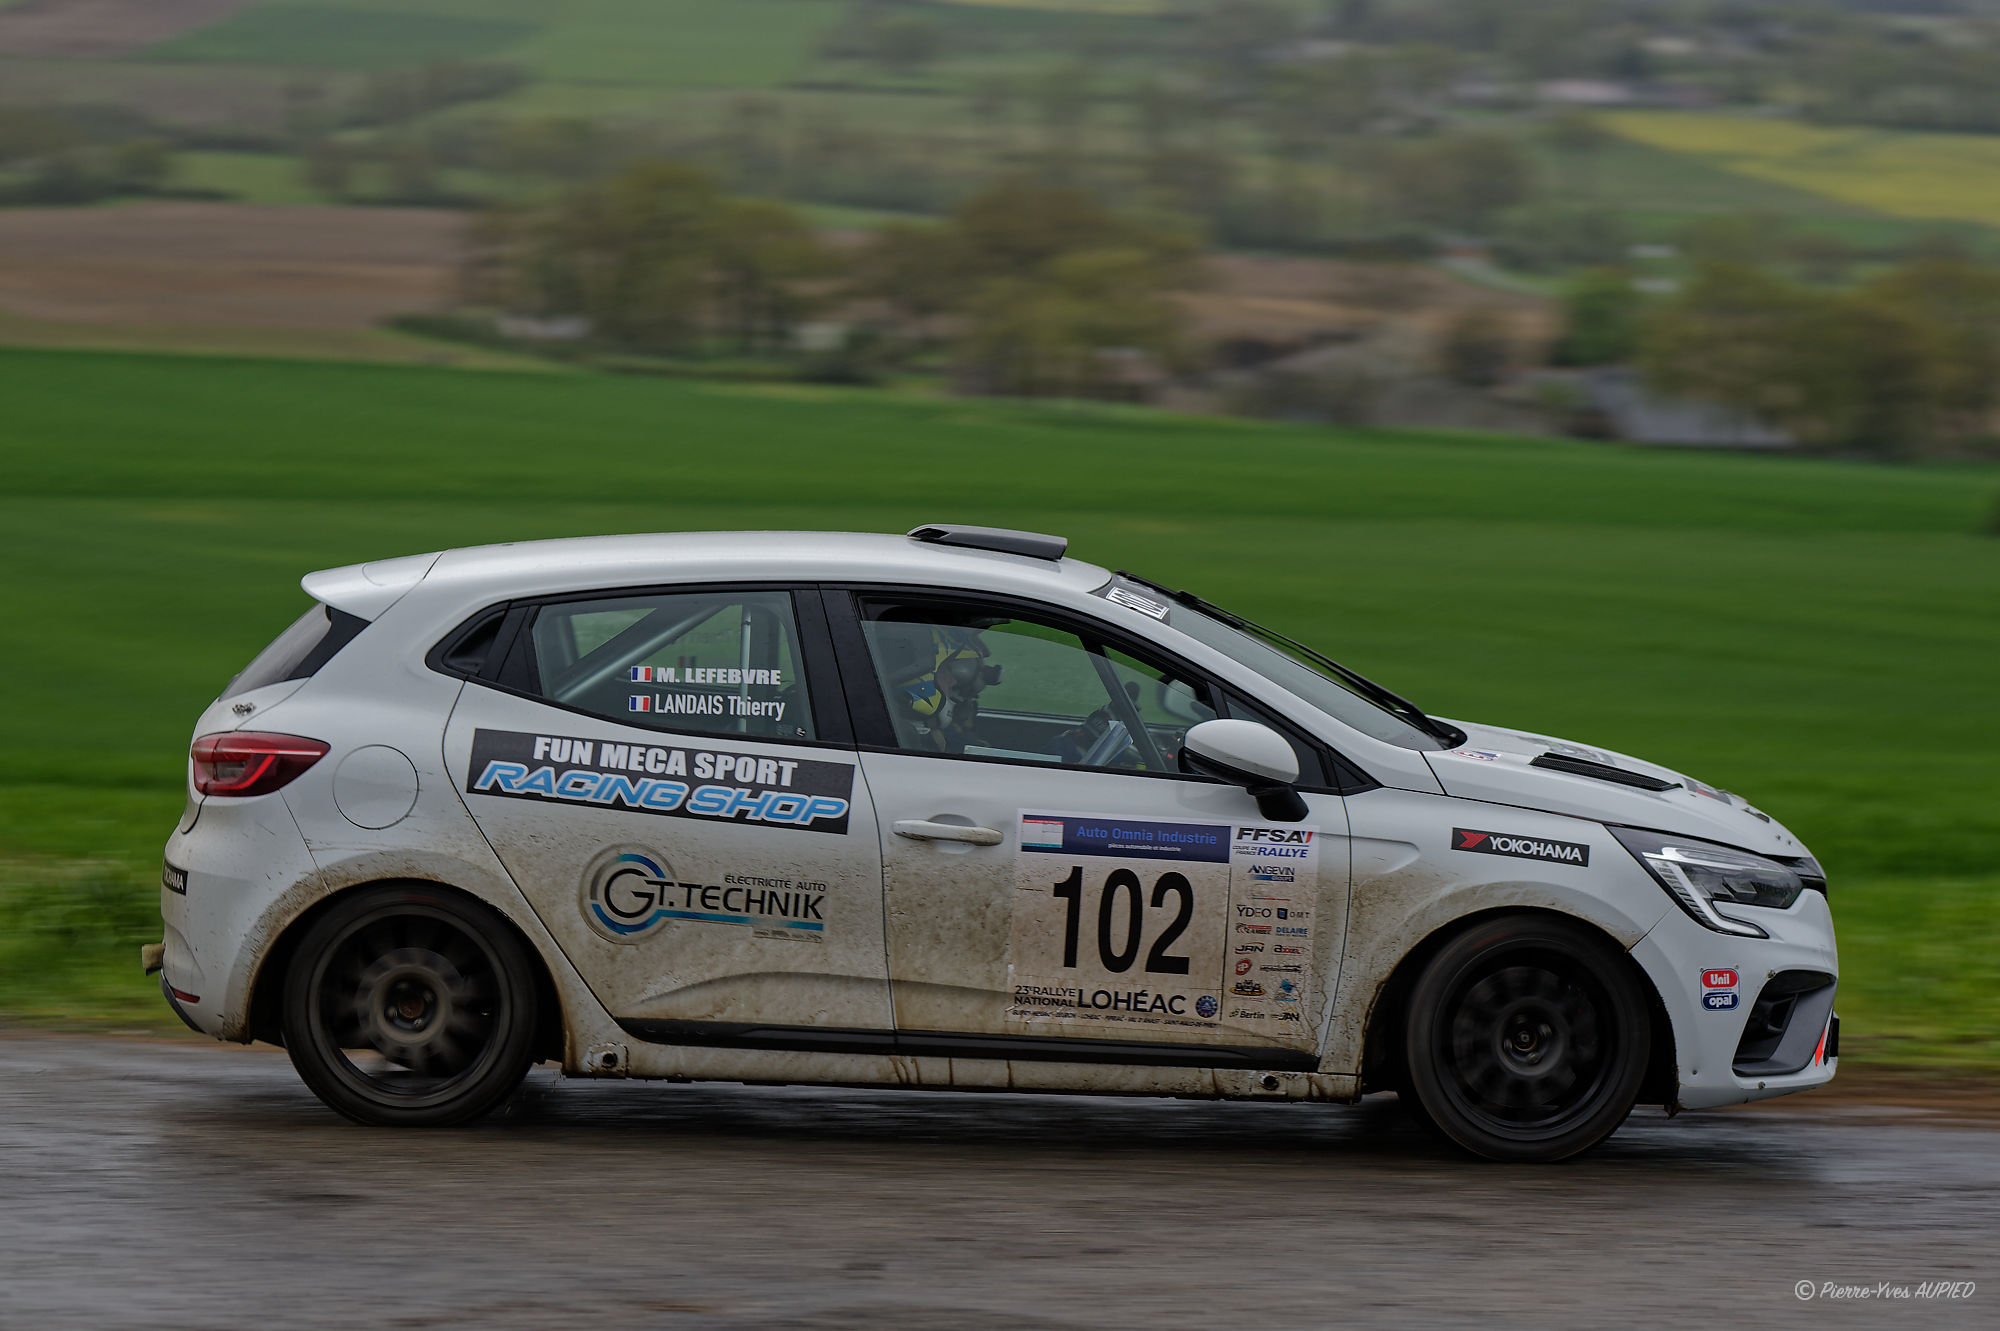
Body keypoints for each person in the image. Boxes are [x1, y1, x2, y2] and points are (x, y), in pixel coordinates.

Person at [887, 623, 1000, 753]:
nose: (953, 681)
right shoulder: (907, 740)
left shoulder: (913, 734)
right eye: (944, 671)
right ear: (920, 675)